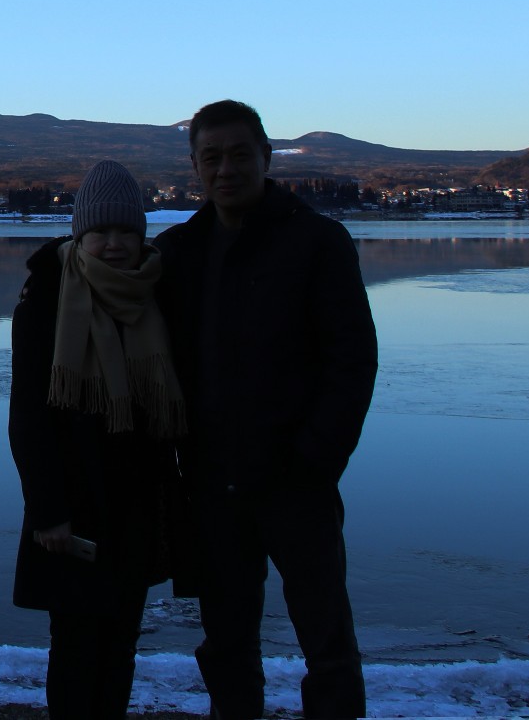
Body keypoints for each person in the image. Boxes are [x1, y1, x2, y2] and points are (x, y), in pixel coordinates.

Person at [155, 100, 378, 719]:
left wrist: (315, 459)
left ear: (265, 158)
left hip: (295, 479)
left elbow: (353, 362)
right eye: (211, 158)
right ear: (195, 165)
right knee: (226, 640)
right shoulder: (180, 251)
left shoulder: (317, 242)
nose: (225, 169)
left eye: (239, 155)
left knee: (325, 638)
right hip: (211, 482)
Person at [9, 159, 187, 717]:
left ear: (141, 235)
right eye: (100, 232)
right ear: (79, 234)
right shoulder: (45, 300)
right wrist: (48, 512)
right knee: (76, 645)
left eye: (126, 232)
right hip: (75, 501)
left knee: (121, 644)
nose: (113, 246)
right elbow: (28, 418)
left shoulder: (160, 294)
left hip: (139, 501)